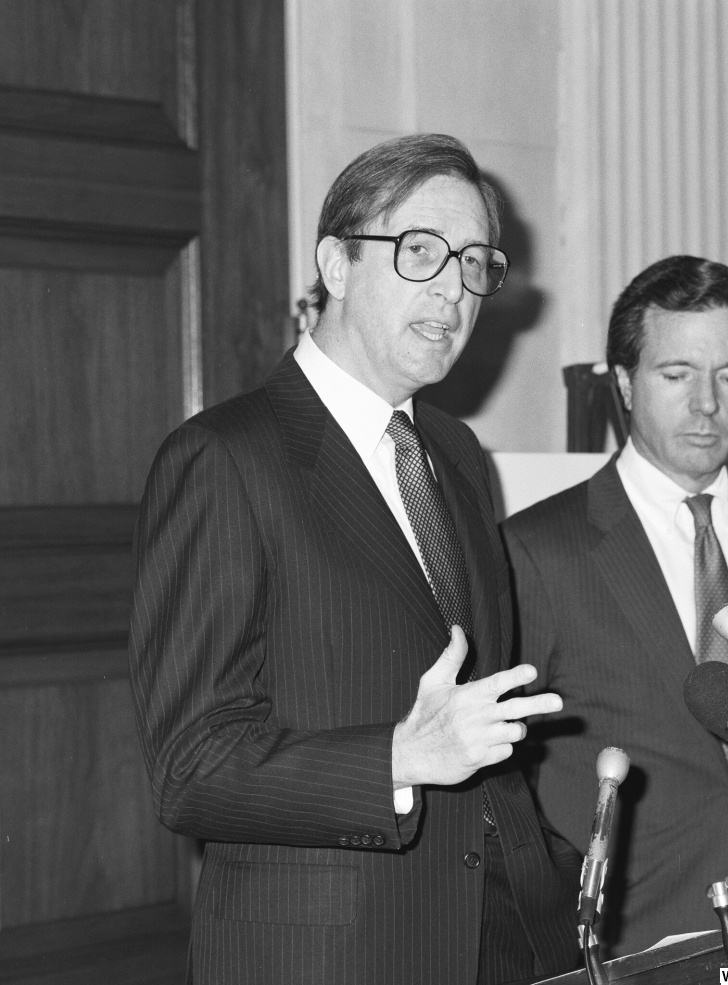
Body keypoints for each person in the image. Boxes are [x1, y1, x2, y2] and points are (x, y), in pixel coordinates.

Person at [128, 133, 579, 985]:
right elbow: (190, 769)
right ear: (336, 264)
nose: (454, 288)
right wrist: (399, 759)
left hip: (507, 939)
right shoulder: (224, 458)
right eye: (422, 253)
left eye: (477, 263)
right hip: (331, 955)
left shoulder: (455, 452)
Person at [502, 255, 728, 957]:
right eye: (676, 374)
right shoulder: (538, 547)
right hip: (635, 934)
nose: (707, 404)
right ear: (624, 383)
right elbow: (508, 781)